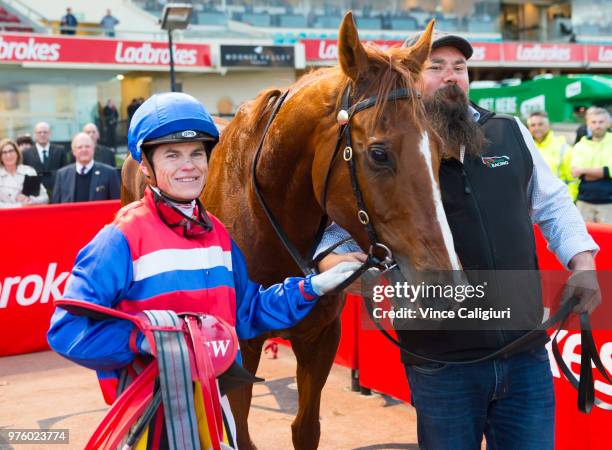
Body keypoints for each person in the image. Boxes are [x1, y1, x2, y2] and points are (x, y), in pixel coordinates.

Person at [317, 31, 600, 450]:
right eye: (436, 67)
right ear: (411, 78)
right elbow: (332, 231)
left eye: (460, 68)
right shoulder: (390, 147)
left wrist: (583, 262)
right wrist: (331, 262)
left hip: (525, 353)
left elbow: (554, 205)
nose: (451, 77)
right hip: (442, 363)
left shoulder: (508, 131)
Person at [47, 92, 360, 448]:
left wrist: (311, 288)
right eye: (172, 154)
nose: (189, 165)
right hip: (153, 419)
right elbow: (67, 329)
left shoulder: (219, 236)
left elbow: (248, 312)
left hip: (215, 413)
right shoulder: (120, 238)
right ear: (146, 166)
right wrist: (148, 340)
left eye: (197, 153)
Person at [52, 132, 120, 203]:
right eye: (79, 147)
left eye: (87, 146)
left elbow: (116, 204)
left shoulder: (109, 173)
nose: (84, 150)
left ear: (93, 149)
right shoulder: (62, 175)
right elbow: (56, 205)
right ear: (74, 151)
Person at [571, 107, 612, 223]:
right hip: (584, 201)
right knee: (583, 239)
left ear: (608, 123)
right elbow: (575, 172)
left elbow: (609, 171)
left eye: (601, 122)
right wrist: (603, 172)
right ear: (588, 124)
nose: (597, 125)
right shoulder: (580, 145)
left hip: (609, 202)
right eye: (593, 122)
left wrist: (584, 171)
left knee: (608, 240)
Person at [527, 111, 578, 201]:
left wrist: (568, 201)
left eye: (540, 124)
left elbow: (573, 180)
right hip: (533, 204)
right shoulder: (526, 148)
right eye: (533, 125)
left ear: (548, 125)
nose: (536, 128)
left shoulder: (563, 147)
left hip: (558, 201)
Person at [0, 138, 48, 208]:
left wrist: (30, 200)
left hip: (29, 216)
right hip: (6, 217)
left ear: (17, 153)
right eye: (4, 152)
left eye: (11, 151)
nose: (8, 155)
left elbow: (45, 198)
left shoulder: (29, 171)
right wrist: (20, 206)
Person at [21, 122, 67, 193]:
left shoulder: (60, 150)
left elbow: (65, 172)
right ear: (35, 135)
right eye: (39, 132)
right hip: (35, 193)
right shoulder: (26, 153)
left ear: (50, 134)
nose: (42, 134)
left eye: (45, 132)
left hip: (57, 190)